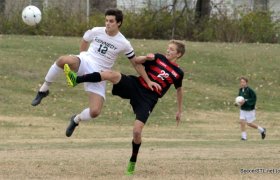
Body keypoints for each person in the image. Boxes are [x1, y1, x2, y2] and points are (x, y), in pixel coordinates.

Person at [31, 8, 159, 137]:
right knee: (62, 60)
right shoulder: (97, 31)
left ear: (118, 23)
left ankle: (76, 119)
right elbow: (85, 39)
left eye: (111, 21)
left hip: (99, 74)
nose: (108, 23)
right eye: (106, 20)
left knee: (95, 112)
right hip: (85, 61)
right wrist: (81, 55)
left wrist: (148, 81)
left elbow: (135, 63)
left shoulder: (124, 43)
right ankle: (43, 90)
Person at [64, 40, 185, 175]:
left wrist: (179, 111)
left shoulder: (178, 73)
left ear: (178, 54)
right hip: (136, 85)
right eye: (168, 48)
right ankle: (76, 79)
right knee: (112, 74)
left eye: (172, 49)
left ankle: (132, 161)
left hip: (148, 99)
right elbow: (136, 61)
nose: (168, 51)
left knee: (137, 132)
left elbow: (179, 90)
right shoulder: (158, 57)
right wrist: (145, 58)